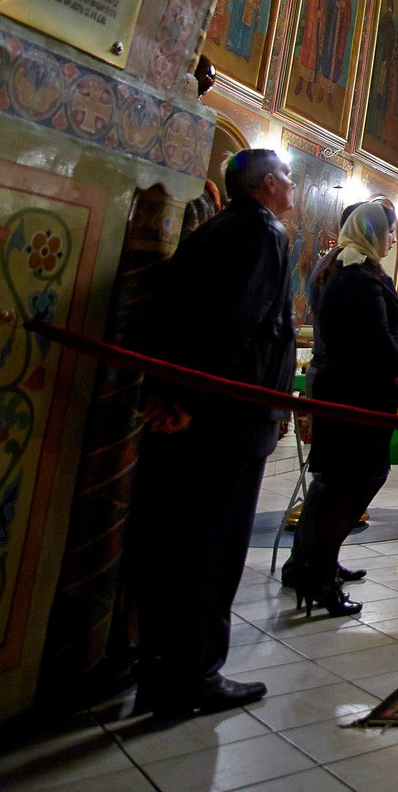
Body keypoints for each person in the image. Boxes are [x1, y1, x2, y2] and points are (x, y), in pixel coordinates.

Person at [128, 148, 296, 717]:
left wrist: (170, 393)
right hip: (228, 419)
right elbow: (236, 324)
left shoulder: (212, 230)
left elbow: (178, 315)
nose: (293, 188)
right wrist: (191, 401)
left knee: (176, 538)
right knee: (213, 546)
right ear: (270, 184)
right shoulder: (264, 234)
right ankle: (195, 673)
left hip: (197, 413)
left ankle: (157, 665)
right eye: (289, 178)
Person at [282, 200, 398, 616]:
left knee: (335, 481)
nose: (393, 239)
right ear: (374, 234)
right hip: (359, 393)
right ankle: (317, 576)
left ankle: (313, 566)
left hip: (340, 386)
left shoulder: (338, 266)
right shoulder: (357, 276)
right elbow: (377, 337)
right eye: (390, 231)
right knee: (352, 480)